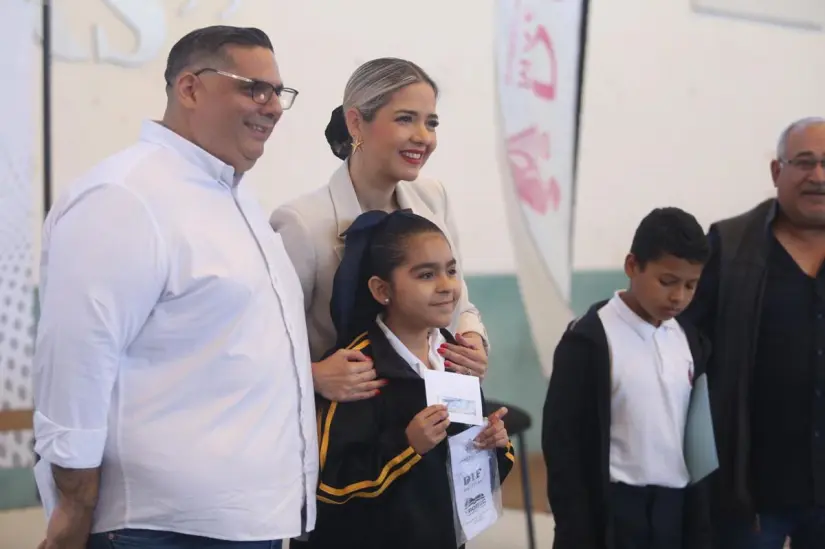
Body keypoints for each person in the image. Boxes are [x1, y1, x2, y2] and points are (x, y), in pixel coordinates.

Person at [32, 26, 316, 549]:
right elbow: (75, 356)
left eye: (279, 93)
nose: (274, 106)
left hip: (249, 520)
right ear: (190, 89)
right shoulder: (125, 195)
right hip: (158, 528)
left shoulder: (232, 196)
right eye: (255, 88)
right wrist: (73, 503)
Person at [270, 58, 489, 405]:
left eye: (431, 123)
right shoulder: (301, 222)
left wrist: (472, 338)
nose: (423, 137)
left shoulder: (433, 199)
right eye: (405, 119)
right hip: (348, 427)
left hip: (432, 409)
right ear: (355, 122)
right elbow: (265, 340)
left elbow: (462, 304)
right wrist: (315, 374)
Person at [303, 209, 514, 548]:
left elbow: (466, 478)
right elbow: (331, 486)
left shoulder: (454, 358)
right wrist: (407, 446)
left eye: (451, 270)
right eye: (426, 275)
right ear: (382, 289)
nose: (447, 286)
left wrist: (493, 445)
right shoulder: (357, 370)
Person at [683, 117, 825, 548]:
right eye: (804, 162)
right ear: (777, 171)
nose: (818, 176)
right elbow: (686, 348)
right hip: (752, 493)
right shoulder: (729, 245)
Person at [542, 207, 714, 549]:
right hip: (615, 512)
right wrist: (576, 526)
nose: (678, 297)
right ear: (632, 266)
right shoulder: (589, 340)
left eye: (690, 285)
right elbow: (562, 445)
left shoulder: (690, 340)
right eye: (667, 282)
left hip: (674, 509)